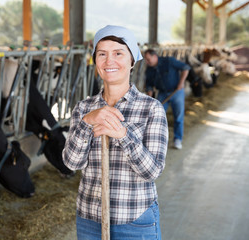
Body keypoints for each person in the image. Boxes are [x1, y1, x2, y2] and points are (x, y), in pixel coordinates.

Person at [63, 25, 168, 240]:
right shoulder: (83, 108)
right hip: (90, 218)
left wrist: (123, 135)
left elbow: (152, 172)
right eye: (102, 54)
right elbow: (72, 164)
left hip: (135, 219)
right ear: (96, 62)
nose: (109, 61)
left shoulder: (151, 108)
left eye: (118, 53)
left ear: (132, 61)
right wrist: (87, 122)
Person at [144, 49, 190, 150]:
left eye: (148, 59)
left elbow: (185, 68)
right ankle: (158, 141)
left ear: (155, 56)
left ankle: (177, 139)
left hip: (176, 91)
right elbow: (149, 86)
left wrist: (181, 82)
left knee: (178, 116)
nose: (147, 62)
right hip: (162, 94)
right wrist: (151, 100)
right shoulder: (149, 70)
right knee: (158, 117)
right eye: (146, 60)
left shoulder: (169, 61)